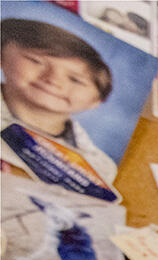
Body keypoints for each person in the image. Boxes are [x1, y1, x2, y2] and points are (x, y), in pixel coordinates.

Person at [0, 16, 119, 183]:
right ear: (2, 56)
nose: (53, 80)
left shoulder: (99, 168)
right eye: (36, 61)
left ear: (96, 101)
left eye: (76, 80)